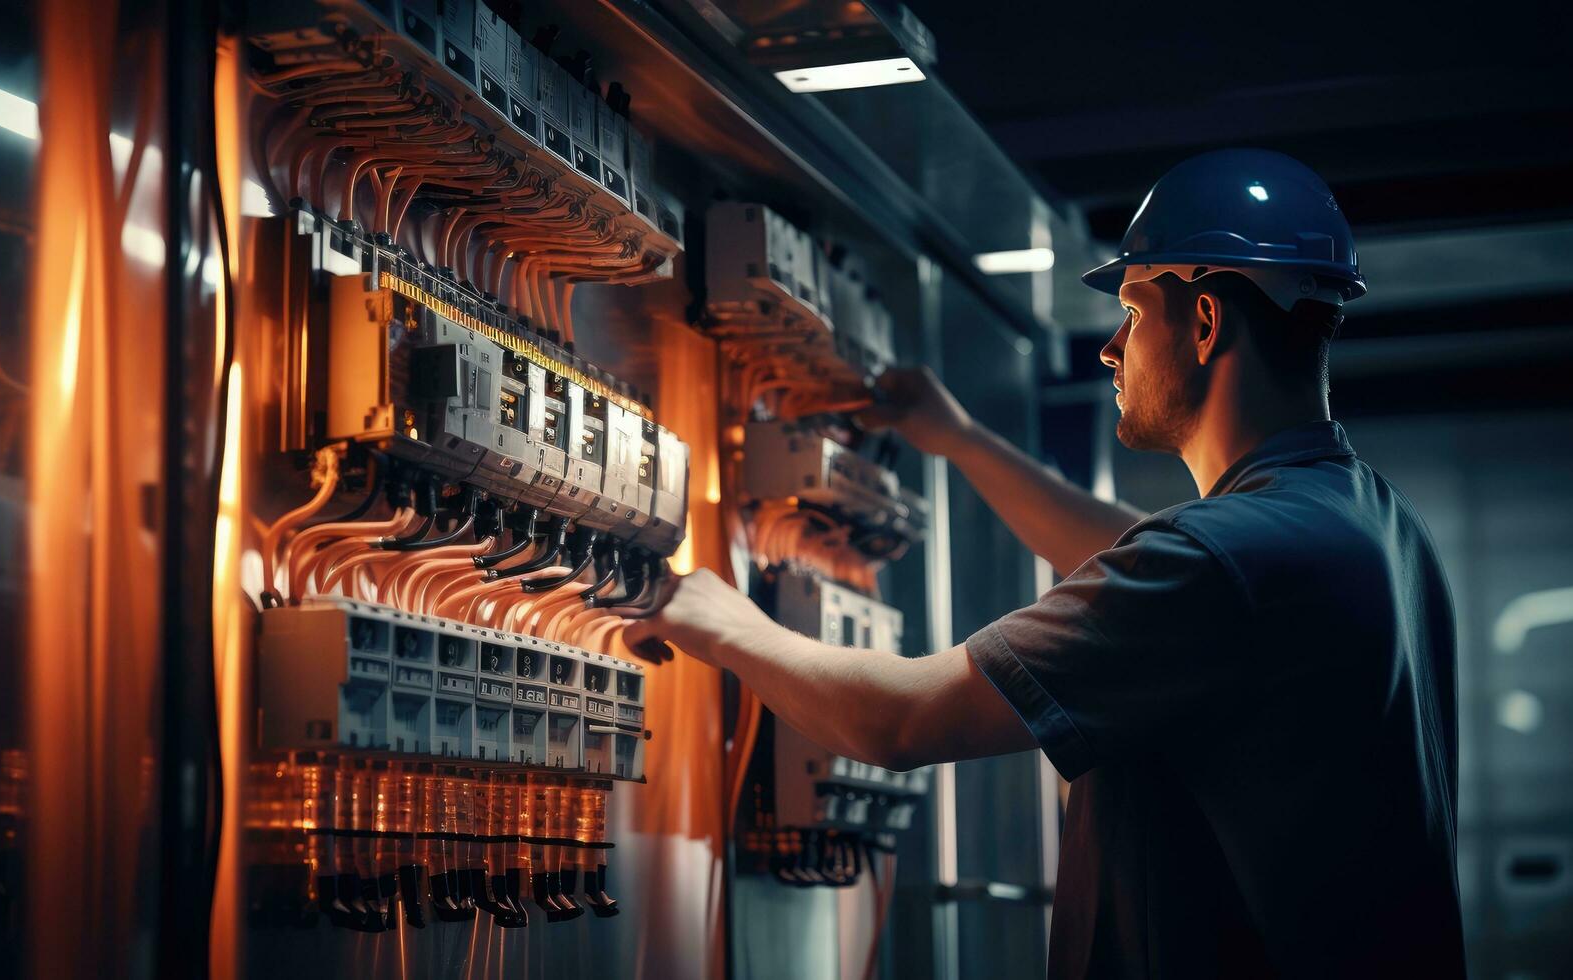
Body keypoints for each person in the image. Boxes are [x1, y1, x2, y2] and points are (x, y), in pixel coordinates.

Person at [627, 149, 1467, 978]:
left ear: (1205, 323)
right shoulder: (1365, 524)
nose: (1110, 348)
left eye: (1134, 311)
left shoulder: (1225, 559)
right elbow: (1139, 557)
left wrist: (717, 617)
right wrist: (956, 439)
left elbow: (897, 722)